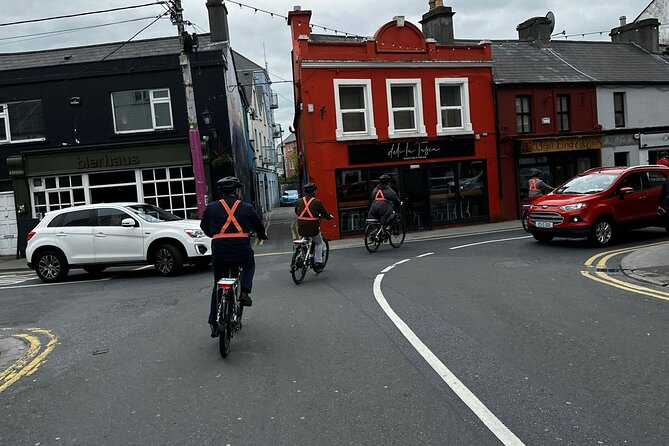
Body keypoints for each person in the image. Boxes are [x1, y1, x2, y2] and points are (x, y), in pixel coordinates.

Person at [200, 176, 267, 338]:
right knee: (249, 265)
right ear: (236, 191)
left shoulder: (211, 207)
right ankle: (244, 291)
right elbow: (258, 225)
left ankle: (213, 323)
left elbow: (204, 226)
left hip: (220, 250)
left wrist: (215, 235)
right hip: (241, 249)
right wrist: (262, 235)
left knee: (218, 284)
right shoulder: (246, 207)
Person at [294, 182, 333, 269]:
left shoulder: (299, 201)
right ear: (313, 192)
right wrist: (329, 217)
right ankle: (317, 262)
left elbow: (296, 211)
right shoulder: (317, 202)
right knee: (319, 243)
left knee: (304, 239)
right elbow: (324, 213)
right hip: (312, 227)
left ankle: (303, 255)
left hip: (301, 226)